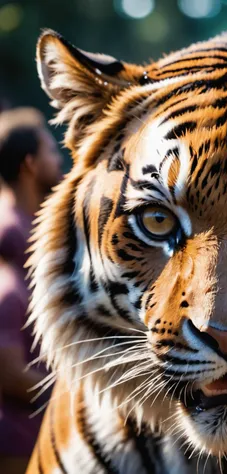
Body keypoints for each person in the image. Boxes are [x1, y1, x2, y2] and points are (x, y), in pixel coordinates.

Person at [0, 107, 63, 474]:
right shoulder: (11, 248)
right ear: (29, 164)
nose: (59, 160)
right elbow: (9, 372)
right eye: (51, 152)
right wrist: (76, 399)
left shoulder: (30, 239)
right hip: (17, 445)